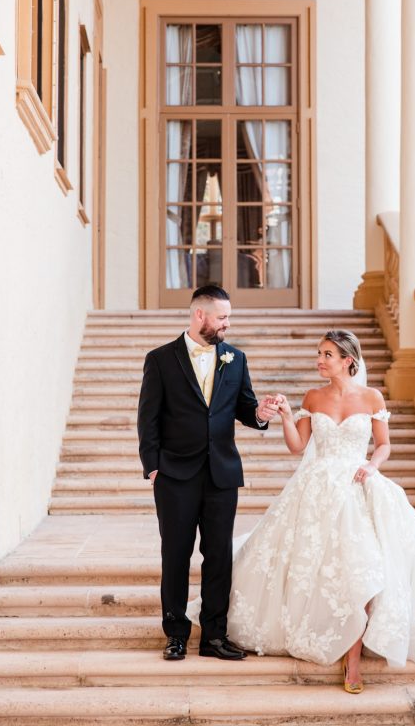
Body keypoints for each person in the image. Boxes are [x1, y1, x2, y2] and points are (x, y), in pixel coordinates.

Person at [221, 329, 415, 692]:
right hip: (317, 491)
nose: (319, 360)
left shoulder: (371, 397)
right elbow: (298, 446)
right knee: (323, 566)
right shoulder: (313, 396)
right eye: (319, 353)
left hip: (358, 485)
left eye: (327, 355)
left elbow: (383, 445)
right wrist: (287, 415)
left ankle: (352, 661)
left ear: (347, 360)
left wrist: (371, 466)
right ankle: (335, 637)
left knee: (363, 568)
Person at [137, 284, 280, 663]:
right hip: (174, 475)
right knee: (175, 555)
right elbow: (148, 418)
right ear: (200, 315)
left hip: (222, 474)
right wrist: (153, 466)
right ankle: (176, 634)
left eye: (228, 317)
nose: (227, 324)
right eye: (222, 317)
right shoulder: (161, 359)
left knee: (218, 556)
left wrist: (261, 414)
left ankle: (214, 636)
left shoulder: (236, 358)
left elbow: (246, 408)